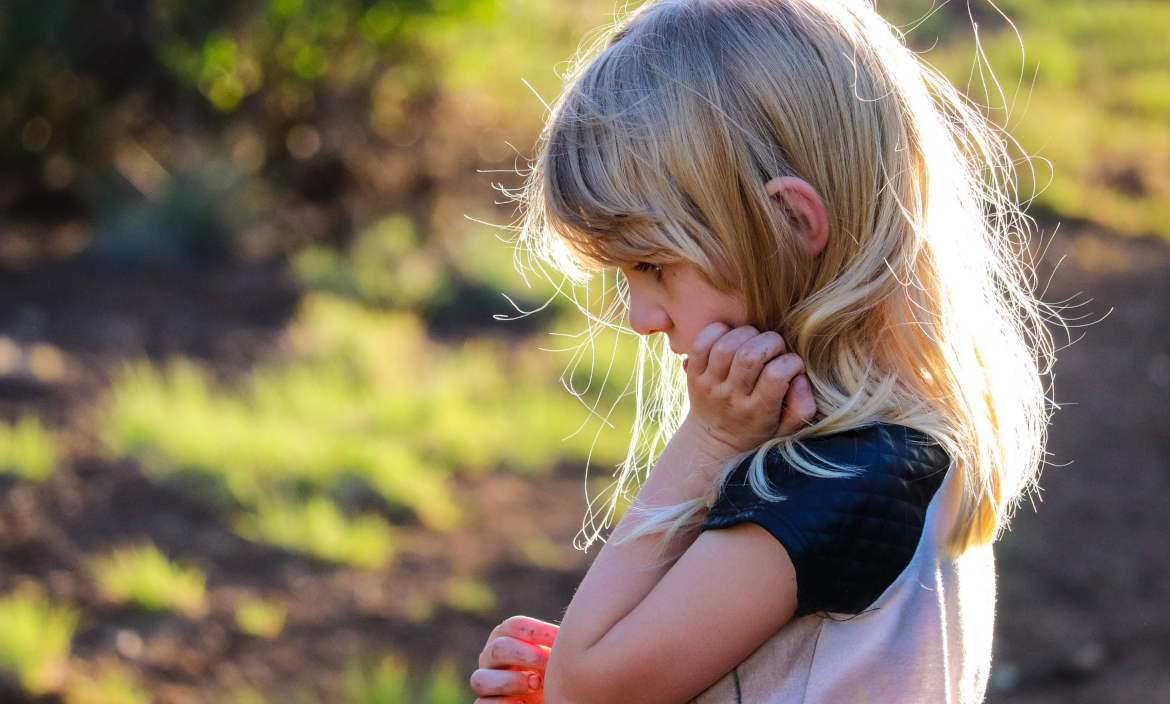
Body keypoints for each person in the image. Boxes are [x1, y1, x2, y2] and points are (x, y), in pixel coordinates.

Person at [470, 0, 1061, 701]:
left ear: (789, 222)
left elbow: (592, 688)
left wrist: (705, 442)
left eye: (653, 265)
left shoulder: (836, 482)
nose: (642, 318)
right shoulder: (887, 453)